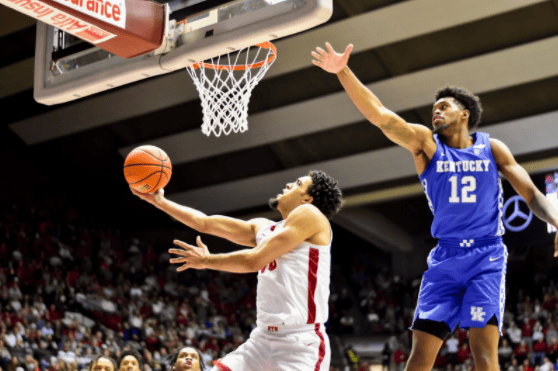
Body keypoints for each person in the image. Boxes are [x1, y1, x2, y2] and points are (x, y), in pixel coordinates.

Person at [312, 41, 558, 371]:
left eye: (443, 106)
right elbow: (381, 117)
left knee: (483, 354)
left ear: (465, 114)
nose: (436, 111)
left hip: (486, 256)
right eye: (434, 108)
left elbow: (531, 195)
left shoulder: (492, 149)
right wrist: (342, 70)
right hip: (445, 258)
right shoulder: (426, 144)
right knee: (420, 357)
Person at [131, 170, 343, 371]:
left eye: (298, 184)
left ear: (307, 200)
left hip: (300, 344)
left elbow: (254, 261)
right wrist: (158, 201)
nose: (288, 184)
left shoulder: (310, 214)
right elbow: (204, 223)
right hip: (262, 339)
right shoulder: (264, 227)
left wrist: (206, 260)